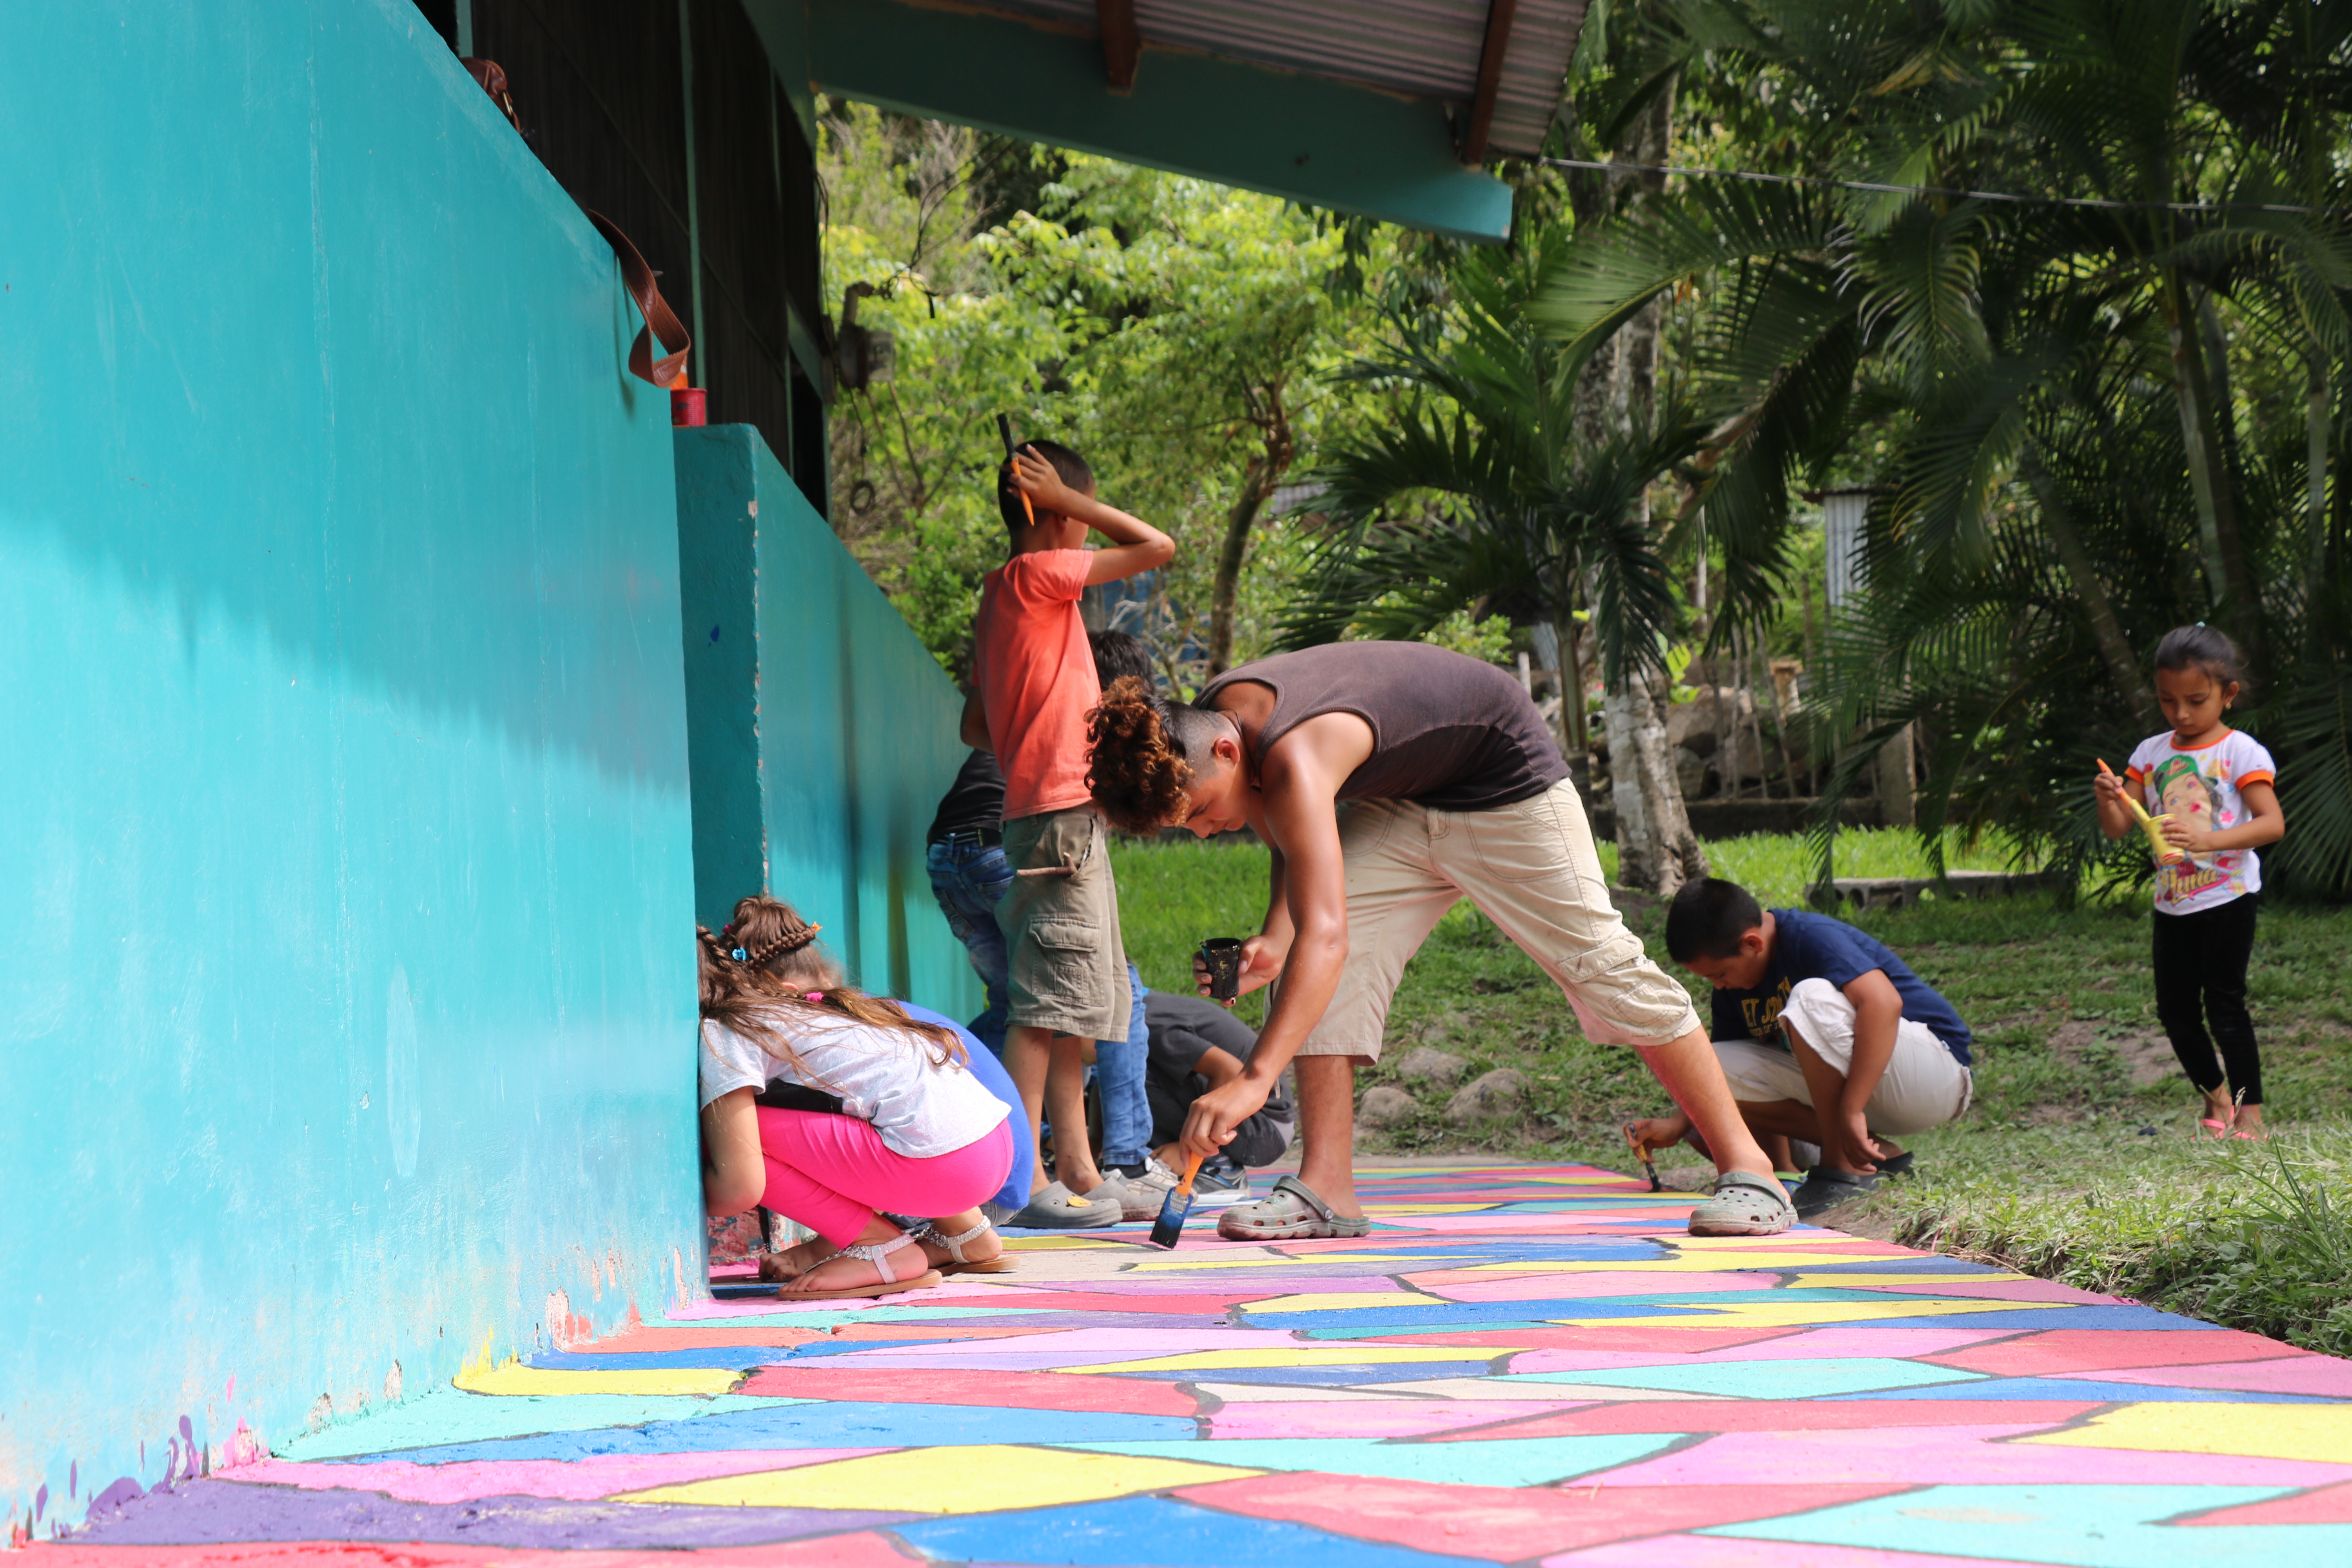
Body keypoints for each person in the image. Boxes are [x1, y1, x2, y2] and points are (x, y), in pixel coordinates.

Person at [1083, 639, 1795, 1239]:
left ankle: (1752, 1172)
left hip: (1501, 781)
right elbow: (1289, 837)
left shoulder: (1296, 750)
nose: (1208, 832)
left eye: (1204, 813)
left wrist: (1255, 1080)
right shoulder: (1219, 723)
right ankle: (1327, 1189)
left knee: (1600, 961)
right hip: (1402, 797)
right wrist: (1278, 931)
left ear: (1227, 750)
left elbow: (1319, 920)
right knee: (1326, 962)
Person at [964, 440, 1173, 1226]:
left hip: (1052, 818)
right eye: (1078, 512)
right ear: (1050, 510)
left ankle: (1079, 1171)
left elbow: (976, 722)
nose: (1087, 532)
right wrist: (1073, 505)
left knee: (1074, 1007)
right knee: (1043, 1009)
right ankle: (1015, 1184)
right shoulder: (1035, 575)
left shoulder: (1004, 596)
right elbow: (1156, 546)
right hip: (1056, 820)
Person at [926, 632, 1169, 1228]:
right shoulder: (1085, 716)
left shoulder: (1033, 705)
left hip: (950, 854)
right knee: (1092, 998)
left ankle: (1072, 1171)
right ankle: (1083, 1170)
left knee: (1036, 1009)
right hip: (1008, 855)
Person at [698, 895, 1016, 1299]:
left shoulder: (728, 1027)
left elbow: (740, 1186)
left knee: (730, 1133)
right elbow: (852, 1153)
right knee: (883, 1111)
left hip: (944, 1168)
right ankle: (966, 1234)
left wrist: (698, 1182)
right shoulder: (845, 1010)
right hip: (993, 1153)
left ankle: (880, 1248)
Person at [1630, 878, 1975, 1219]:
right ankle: (1872, 1156)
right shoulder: (1733, 991)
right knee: (1709, 1069)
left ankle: (1841, 1165)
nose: (1719, 985)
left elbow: (1884, 1003)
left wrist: (1852, 1109)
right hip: (1862, 1087)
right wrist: (1679, 1124)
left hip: (1933, 1074)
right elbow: (1722, 1077)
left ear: (1752, 943)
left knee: (1811, 999)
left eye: (1719, 974)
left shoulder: (1810, 936)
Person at [2094, 624, 2283, 1139]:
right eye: (2168, 700)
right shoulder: (2151, 754)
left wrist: (2209, 841)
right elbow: (2117, 829)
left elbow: (2272, 823)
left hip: (2229, 898)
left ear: (2229, 694)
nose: (2181, 713)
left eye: (2196, 700)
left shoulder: (2241, 752)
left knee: (2226, 1006)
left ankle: (2252, 1115)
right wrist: (2108, 798)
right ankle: (2216, 1098)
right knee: (2176, 1012)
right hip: (2172, 905)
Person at [1142, 991, 1295, 1203]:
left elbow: (1229, 1070)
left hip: (1263, 1125)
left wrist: (1187, 1148)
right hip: (1257, 1124)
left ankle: (1217, 1168)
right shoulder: (1149, 1009)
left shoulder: (1149, 1019)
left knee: (1136, 1072)